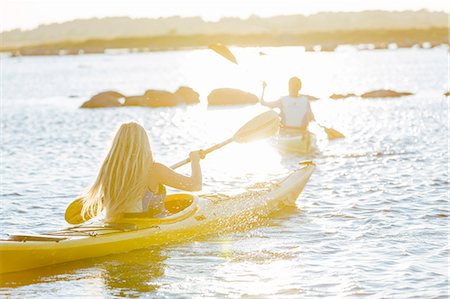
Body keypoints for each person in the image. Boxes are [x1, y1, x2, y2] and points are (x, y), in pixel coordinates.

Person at [80, 121, 204, 222]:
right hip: (148, 225)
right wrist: (195, 160)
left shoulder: (110, 168)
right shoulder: (154, 170)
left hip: (118, 224)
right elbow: (195, 185)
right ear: (144, 143)